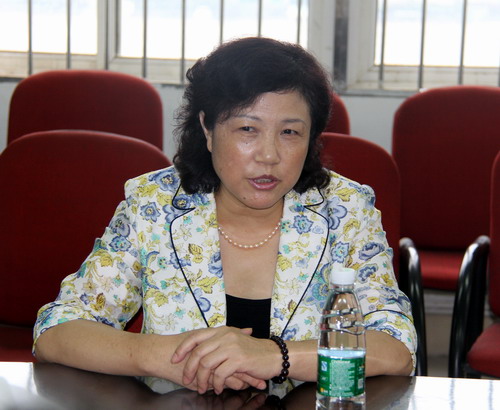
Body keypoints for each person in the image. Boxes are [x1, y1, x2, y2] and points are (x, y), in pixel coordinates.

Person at [34, 37, 416, 395]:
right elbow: (56, 330)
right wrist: (163, 355)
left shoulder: (344, 210)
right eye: (247, 129)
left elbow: (397, 348)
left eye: (289, 132)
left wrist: (275, 356)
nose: (269, 155)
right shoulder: (154, 205)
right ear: (208, 128)